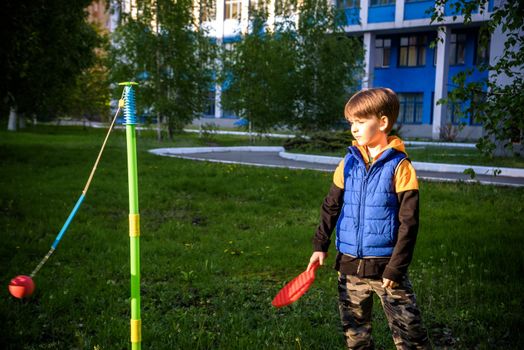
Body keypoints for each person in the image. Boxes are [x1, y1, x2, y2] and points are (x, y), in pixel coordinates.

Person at [307, 88, 431, 349]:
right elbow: (331, 205)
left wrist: (396, 267)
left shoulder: (400, 166)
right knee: (356, 337)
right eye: (351, 122)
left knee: (411, 338)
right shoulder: (348, 162)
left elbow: (409, 223)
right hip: (349, 265)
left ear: (383, 122)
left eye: (361, 122)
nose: (354, 128)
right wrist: (320, 245)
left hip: (386, 269)